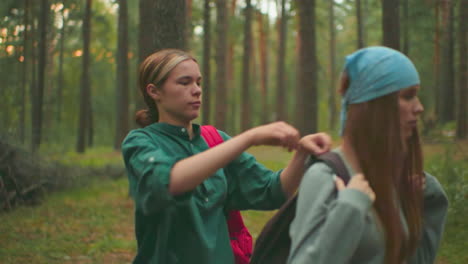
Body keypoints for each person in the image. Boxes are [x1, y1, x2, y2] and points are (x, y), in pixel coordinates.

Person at [121, 49, 332, 264]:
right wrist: (249, 137)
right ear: (154, 92)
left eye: (198, 82)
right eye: (184, 83)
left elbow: (272, 190)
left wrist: (302, 155)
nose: (196, 91)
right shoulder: (140, 142)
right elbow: (169, 181)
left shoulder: (214, 140)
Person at [287, 46, 448, 264]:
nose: (419, 107)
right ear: (374, 104)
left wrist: (427, 200)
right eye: (408, 96)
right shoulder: (324, 178)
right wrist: (349, 209)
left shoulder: (389, 181)